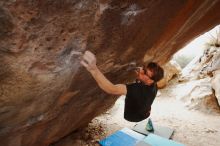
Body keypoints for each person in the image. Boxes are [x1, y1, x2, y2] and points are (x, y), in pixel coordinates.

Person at [80, 51, 164, 122]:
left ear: (150, 80)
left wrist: (93, 69)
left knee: (134, 97)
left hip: (133, 116)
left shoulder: (137, 90)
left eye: (145, 72)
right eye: (144, 67)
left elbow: (111, 89)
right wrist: (141, 76)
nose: (141, 70)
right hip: (145, 112)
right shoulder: (154, 84)